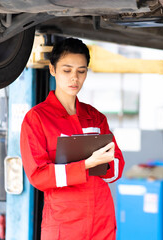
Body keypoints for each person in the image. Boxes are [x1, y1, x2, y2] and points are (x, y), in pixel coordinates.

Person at [20, 38, 125, 240]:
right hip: (64, 224)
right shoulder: (37, 118)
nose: (74, 78)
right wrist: (86, 165)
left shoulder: (95, 116)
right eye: (67, 70)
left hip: (101, 219)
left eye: (81, 71)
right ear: (53, 69)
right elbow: (38, 176)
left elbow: (117, 167)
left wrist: (105, 163)